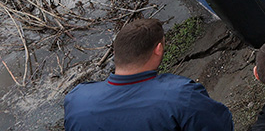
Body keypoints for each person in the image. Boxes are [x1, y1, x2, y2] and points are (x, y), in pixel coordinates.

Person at [64, 17, 233, 131]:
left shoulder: (77, 100)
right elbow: (222, 126)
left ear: (115, 53)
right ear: (158, 50)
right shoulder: (181, 96)